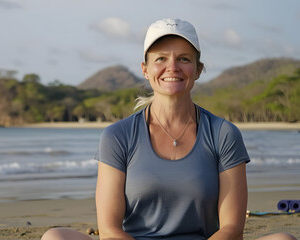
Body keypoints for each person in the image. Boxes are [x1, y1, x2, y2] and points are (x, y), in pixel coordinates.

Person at [42, 18, 297, 240]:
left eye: (183, 59)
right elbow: (109, 231)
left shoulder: (223, 134)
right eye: (161, 59)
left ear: (197, 70)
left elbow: (232, 229)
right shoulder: (117, 136)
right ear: (145, 69)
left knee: (284, 238)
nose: (172, 68)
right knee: (54, 236)